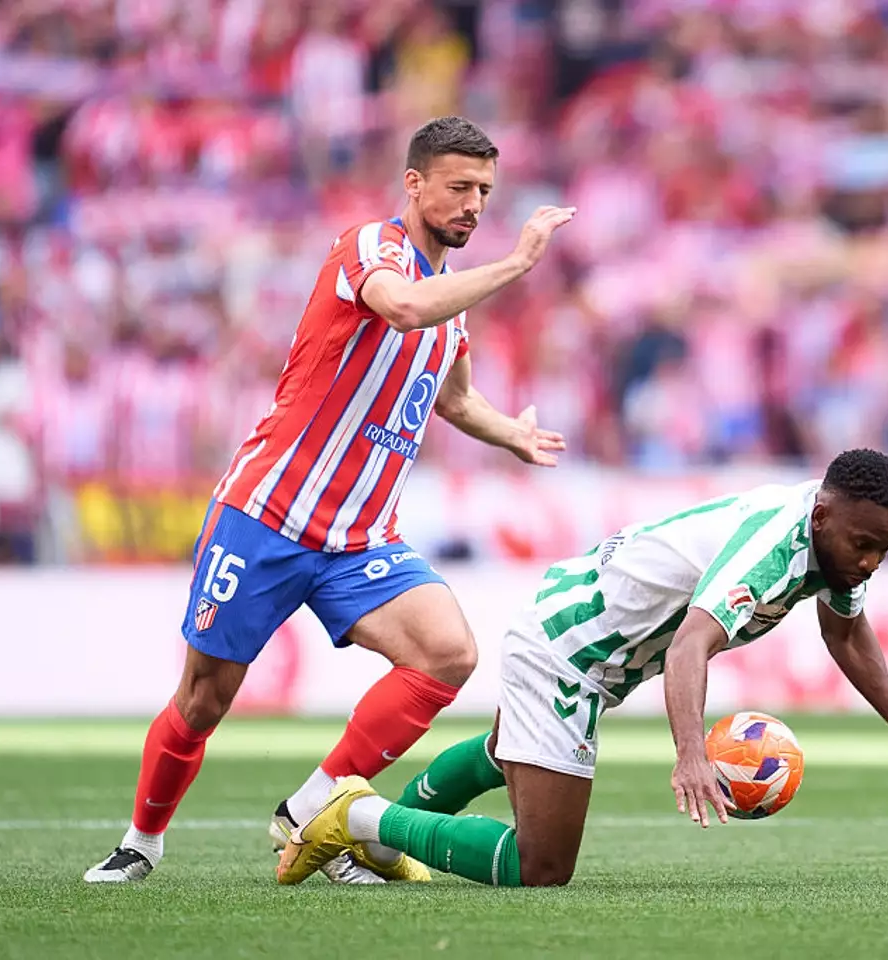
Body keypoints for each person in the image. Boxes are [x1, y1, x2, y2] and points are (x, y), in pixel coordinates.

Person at [86, 116, 576, 883]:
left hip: (360, 540)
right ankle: (140, 842)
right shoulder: (371, 250)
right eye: (458, 187)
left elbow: (453, 400)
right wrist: (519, 262)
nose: (474, 204)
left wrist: (510, 433)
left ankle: (312, 807)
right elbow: (404, 307)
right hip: (269, 516)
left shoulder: (452, 302)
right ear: (413, 184)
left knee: (448, 654)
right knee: (204, 700)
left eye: (484, 190)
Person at [276, 449, 888, 888]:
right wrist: (692, 754)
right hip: (567, 652)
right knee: (540, 866)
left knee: (503, 752)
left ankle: (369, 841)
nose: (869, 562)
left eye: (884, 551)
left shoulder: (833, 543)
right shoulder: (772, 548)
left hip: (593, 642)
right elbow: (688, 647)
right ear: (822, 516)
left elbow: (846, 631)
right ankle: (356, 815)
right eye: (862, 544)